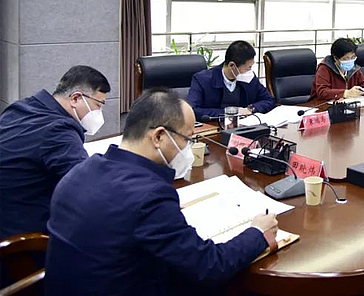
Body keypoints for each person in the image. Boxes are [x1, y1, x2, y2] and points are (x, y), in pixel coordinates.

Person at [45, 89, 280, 295]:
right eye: (188, 139)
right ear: (158, 136)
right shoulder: (150, 196)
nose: (188, 148)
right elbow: (209, 266)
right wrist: (258, 232)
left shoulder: (80, 171)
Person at [0, 66, 110, 239]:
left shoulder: (20, 108)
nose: (99, 113)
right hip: (25, 238)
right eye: (98, 105)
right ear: (76, 98)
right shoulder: (58, 131)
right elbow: (89, 186)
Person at [186, 40, 275, 121]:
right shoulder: (202, 80)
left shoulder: (249, 78)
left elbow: (269, 100)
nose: (249, 71)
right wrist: (229, 113)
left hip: (244, 127)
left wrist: (251, 109)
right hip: (215, 127)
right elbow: (192, 110)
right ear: (232, 66)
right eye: (248, 68)